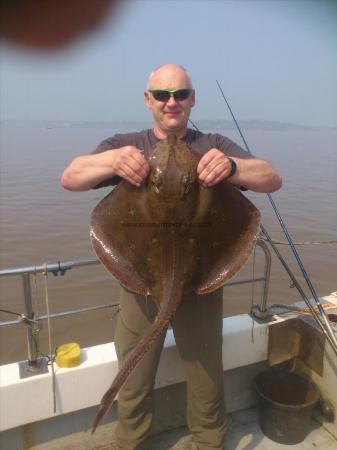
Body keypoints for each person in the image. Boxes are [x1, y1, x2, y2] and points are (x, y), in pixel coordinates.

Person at [61, 64, 282, 450]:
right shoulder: (125, 142)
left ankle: (210, 442)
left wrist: (231, 166)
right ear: (148, 100)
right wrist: (112, 162)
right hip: (141, 282)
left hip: (200, 282)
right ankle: (132, 441)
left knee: (206, 376)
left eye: (180, 94)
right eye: (162, 95)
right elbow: (71, 177)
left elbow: (270, 178)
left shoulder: (214, 143)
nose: (171, 102)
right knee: (134, 375)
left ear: (192, 98)